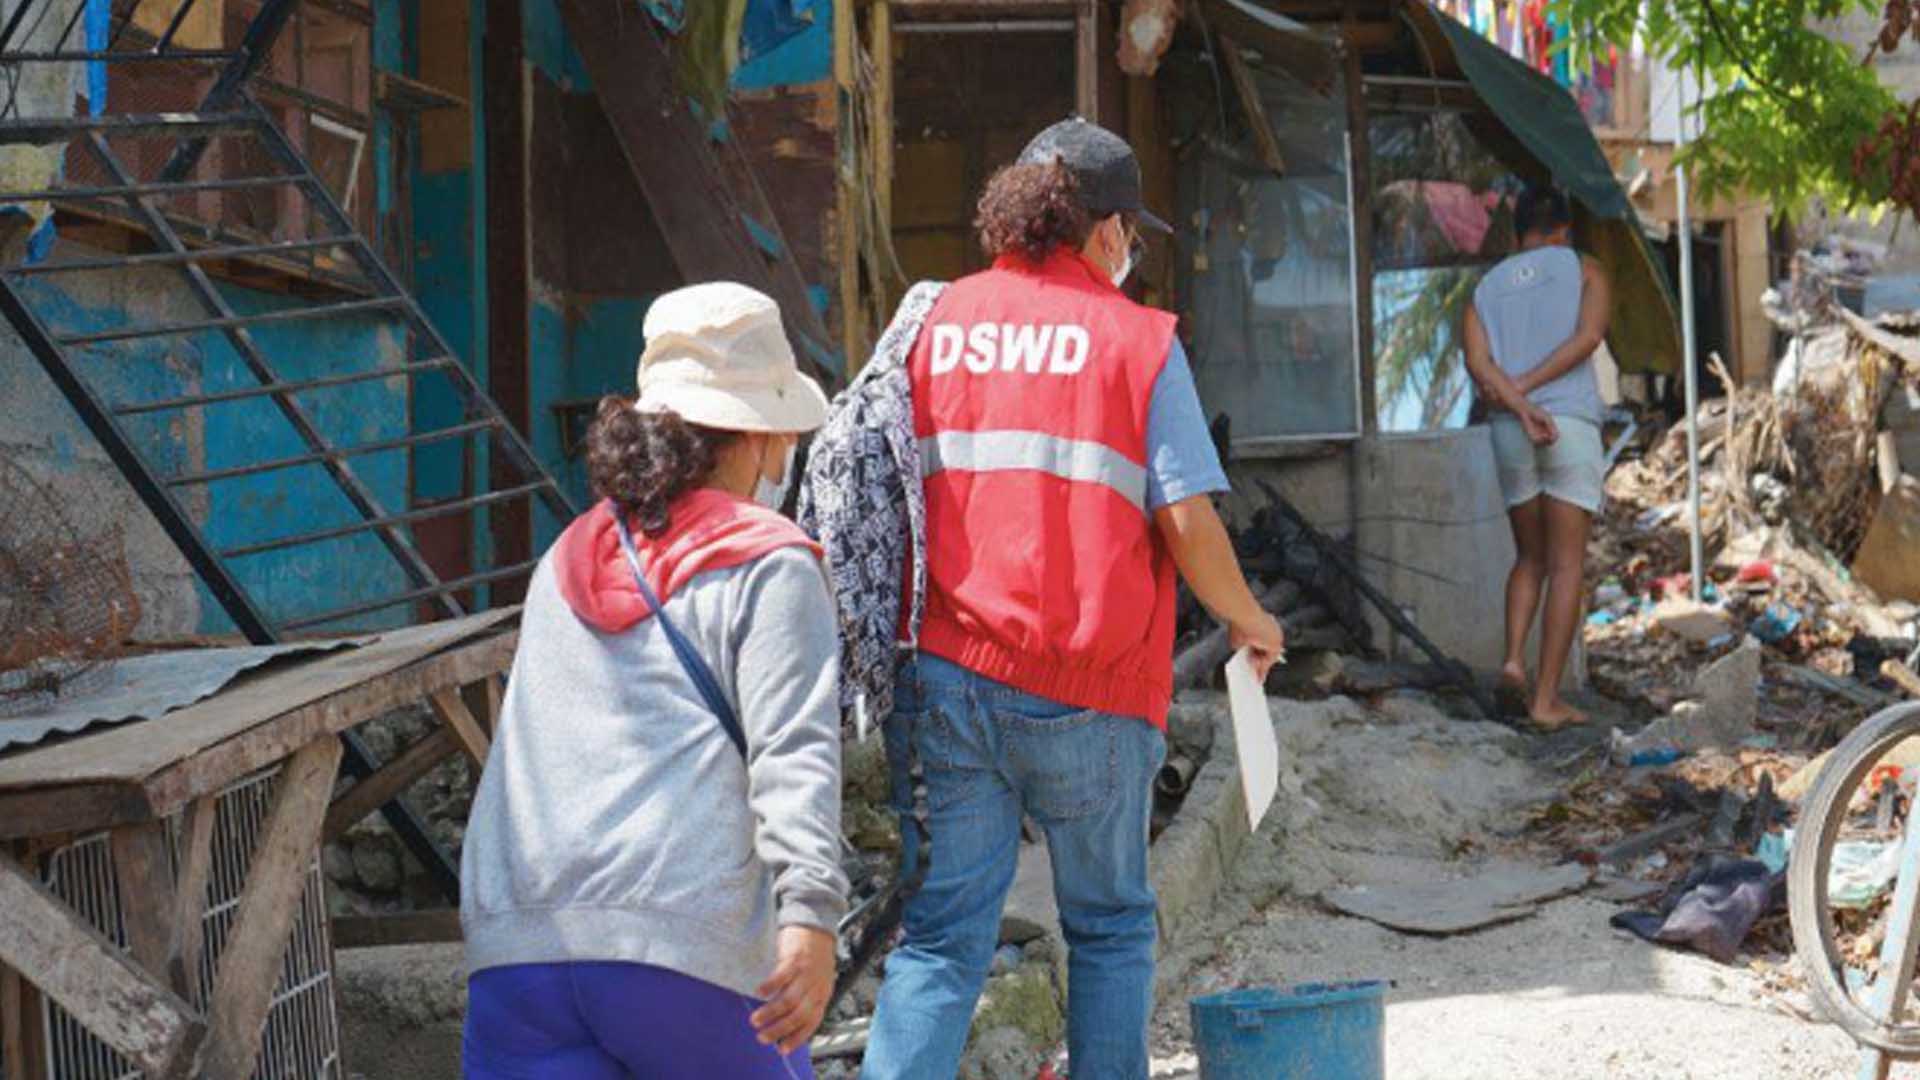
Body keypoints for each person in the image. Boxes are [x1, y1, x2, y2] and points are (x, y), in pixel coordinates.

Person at [859, 118, 1286, 1080]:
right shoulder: (1138, 341)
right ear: (1106, 231)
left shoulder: (938, 321)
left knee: (942, 939)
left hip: (950, 675)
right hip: (1089, 691)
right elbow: (1186, 516)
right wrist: (1247, 618)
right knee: (1109, 927)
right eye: (1130, 233)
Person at [459, 282, 849, 1078]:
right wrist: (811, 914)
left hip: (518, 951)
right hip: (685, 950)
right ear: (757, 436)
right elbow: (794, 752)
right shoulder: (769, 562)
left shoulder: (565, 557)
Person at [1463, 186, 1613, 730]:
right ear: (1564, 230)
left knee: (1529, 557)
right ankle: (1547, 700)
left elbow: (1479, 364)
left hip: (1509, 430)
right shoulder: (1586, 268)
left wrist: (1516, 401)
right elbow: (1590, 337)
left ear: (1518, 231)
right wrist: (1530, 390)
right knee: (1567, 564)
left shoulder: (1484, 289)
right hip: (1568, 425)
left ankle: (1512, 662)